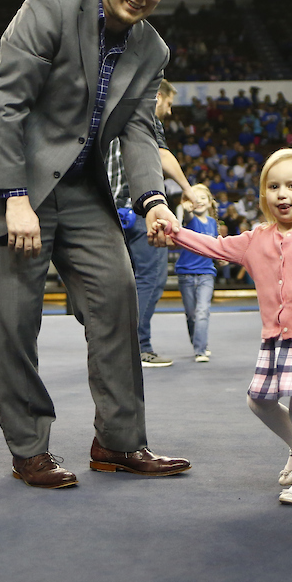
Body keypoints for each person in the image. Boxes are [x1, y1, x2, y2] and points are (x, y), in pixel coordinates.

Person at [0, 0, 190, 489]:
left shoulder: (152, 49)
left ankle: (119, 443)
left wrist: (153, 201)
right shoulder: (49, 6)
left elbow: (142, 130)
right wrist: (15, 198)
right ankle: (30, 449)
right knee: (15, 321)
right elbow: (8, 104)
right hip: (9, 181)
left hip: (80, 188)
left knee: (117, 296)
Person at [165, 148, 292, 506]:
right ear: (263, 195)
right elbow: (215, 246)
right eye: (273, 186)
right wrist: (175, 232)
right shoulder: (257, 237)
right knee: (258, 401)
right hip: (279, 341)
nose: (282, 194)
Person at [106, 78, 198, 367]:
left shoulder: (108, 110)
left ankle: (114, 348)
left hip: (104, 211)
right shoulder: (143, 112)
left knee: (118, 283)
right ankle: (139, 347)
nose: (169, 112)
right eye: (169, 104)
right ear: (158, 96)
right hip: (137, 211)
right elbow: (161, 154)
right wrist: (187, 186)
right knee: (152, 277)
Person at [175, 183, 218, 363]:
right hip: (186, 274)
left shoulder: (213, 223)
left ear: (209, 203)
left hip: (206, 274)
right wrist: (183, 209)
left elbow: (214, 245)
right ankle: (197, 343)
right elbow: (185, 215)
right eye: (195, 198)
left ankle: (200, 349)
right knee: (191, 314)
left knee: (202, 312)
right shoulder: (190, 220)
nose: (198, 201)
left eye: (202, 198)